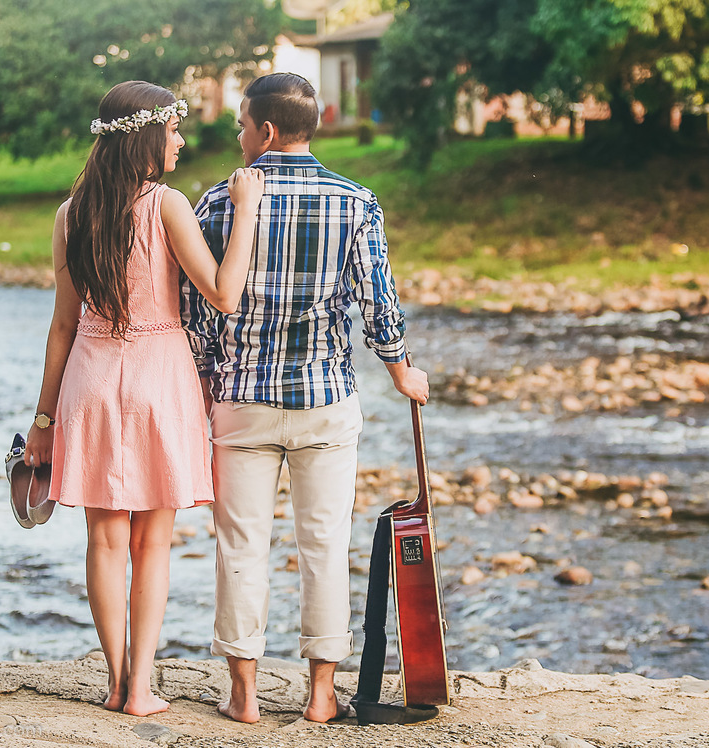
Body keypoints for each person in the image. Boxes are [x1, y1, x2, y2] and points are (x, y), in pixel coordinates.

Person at [180, 72, 430, 724]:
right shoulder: (356, 202)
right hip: (325, 400)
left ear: (265, 131)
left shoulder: (218, 202)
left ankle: (244, 694)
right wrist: (400, 367)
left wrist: (207, 379)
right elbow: (378, 298)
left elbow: (199, 308)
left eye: (241, 125)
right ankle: (322, 694)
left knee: (241, 544)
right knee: (324, 542)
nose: (238, 136)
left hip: (241, 400)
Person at [22, 80, 266, 717]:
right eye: (174, 130)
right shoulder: (167, 205)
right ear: (145, 136)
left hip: (91, 382)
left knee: (103, 542)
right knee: (151, 543)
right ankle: (141, 690)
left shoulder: (70, 214)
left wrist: (42, 419)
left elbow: (62, 327)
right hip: (160, 378)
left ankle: (113, 680)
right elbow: (224, 292)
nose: (180, 141)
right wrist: (243, 213)